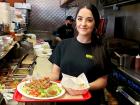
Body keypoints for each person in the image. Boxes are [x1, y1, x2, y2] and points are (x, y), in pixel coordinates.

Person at [48, 3, 112, 105]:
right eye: (80, 19)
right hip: (64, 99)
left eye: (89, 20)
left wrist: (83, 87)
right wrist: (38, 80)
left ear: (95, 23)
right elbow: (55, 75)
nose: (83, 23)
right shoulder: (63, 45)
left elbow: (103, 81)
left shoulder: (101, 49)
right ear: (76, 21)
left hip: (89, 101)